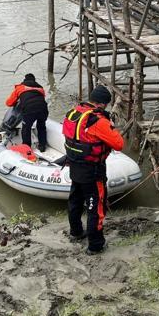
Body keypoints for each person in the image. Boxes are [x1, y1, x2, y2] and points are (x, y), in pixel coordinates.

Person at [63, 85, 124, 255]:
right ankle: (95, 245)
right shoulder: (98, 121)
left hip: (75, 166)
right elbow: (119, 144)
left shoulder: (73, 113)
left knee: (74, 201)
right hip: (93, 171)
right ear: (103, 104)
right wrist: (111, 125)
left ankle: (76, 232)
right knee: (95, 208)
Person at [6, 73, 49, 151]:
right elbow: (40, 99)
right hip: (43, 108)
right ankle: (42, 146)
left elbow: (9, 103)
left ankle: (27, 148)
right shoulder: (41, 88)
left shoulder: (20, 88)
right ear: (34, 80)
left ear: (24, 80)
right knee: (41, 127)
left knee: (26, 128)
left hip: (29, 109)